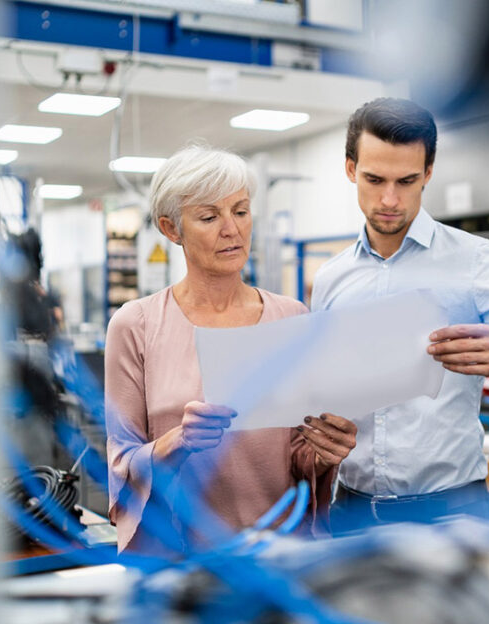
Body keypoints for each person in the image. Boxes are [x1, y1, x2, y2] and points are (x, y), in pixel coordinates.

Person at [311, 98, 489, 533]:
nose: (390, 199)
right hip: (350, 513)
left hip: (452, 513)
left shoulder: (477, 260)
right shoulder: (331, 278)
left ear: (428, 173)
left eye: (407, 181)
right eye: (375, 179)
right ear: (350, 169)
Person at [105, 145, 357, 553]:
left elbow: (296, 458)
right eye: (209, 216)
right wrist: (177, 441)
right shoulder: (136, 325)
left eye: (240, 211)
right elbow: (121, 463)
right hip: (178, 560)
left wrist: (325, 452)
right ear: (172, 229)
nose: (232, 229)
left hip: (278, 554)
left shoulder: (291, 318)